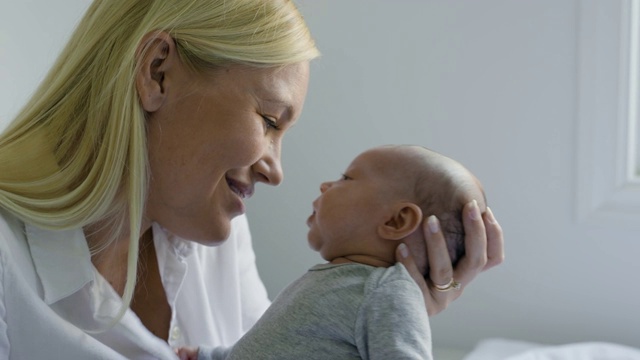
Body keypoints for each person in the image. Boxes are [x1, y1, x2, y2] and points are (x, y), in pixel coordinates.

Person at [0, 1, 504, 359]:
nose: (276, 171)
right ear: (157, 72)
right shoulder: (8, 269)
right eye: (268, 121)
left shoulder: (215, 228)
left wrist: (394, 314)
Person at [175, 144, 487, 360]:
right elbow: (270, 348)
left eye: (346, 178)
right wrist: (209, 355)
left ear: (396, 220)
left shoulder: (388, 293)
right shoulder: (333, 281)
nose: (326, 185)